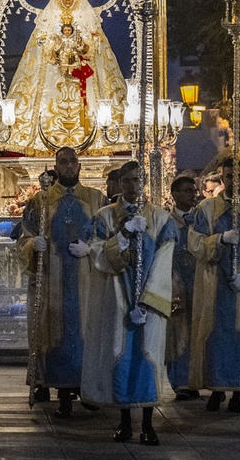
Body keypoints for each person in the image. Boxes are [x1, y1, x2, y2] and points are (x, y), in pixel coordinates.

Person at [81, 160, 175, 446]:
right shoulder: (105, 217)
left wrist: (149, 299)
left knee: (148, 358)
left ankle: (148, 423)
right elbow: (97, 253)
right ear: (119, 183)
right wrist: (122, 236)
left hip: (148, 301)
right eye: (128, 180)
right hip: (118, 298)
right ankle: (124, 422)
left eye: (138, 180)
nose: (133, 186)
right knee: (119, 354)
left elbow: (164, 258)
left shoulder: (160, 218)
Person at [17, 146, 106, 417]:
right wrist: (34, 244)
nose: (68, 166)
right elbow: (24, 236)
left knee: (86, 335)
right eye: (63, 162)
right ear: (56, 167)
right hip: (53, 282)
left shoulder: (96, 199)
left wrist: (91, 249)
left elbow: (107, 235)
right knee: (56, 334)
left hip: (86, 280)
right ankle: (62, 392)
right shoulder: (40, 201)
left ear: (79, 166)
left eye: (72, 162)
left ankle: (89, 389)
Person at [188, 157, 240, 412]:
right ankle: (216, 389)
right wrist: (219, 240)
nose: (234, 181)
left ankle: (239, 391)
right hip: (214, 281)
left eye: (238, 176)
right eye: (229, 177)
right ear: (222, 178)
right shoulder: (207, 208)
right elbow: (195, 242)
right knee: (216, 335)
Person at [168, 174, 200, 400]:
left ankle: (197, 378)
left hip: (199, 283)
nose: (192, 195)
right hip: (174, 284)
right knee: (176, 333)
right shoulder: (166, 222)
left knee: (199, 330)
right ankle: (180, 381)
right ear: (175, 194)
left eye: (194, 190)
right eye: (187, 190)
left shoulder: (200, 221)